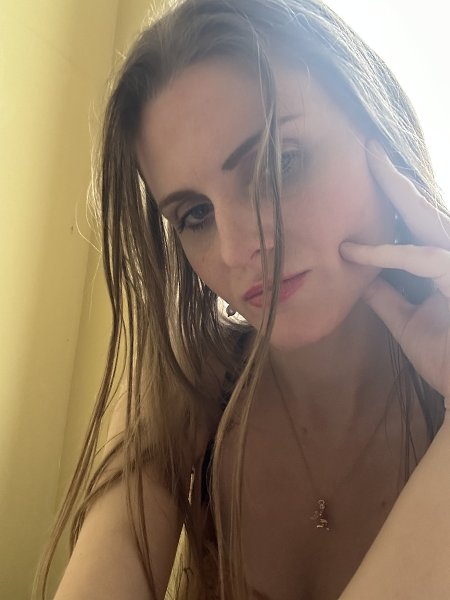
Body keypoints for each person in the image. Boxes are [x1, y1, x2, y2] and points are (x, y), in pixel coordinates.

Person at [35, 0, 450, 598]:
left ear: (378, 132)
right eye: (195, 214)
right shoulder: (188, 384)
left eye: (281, 163)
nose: (235, 250)